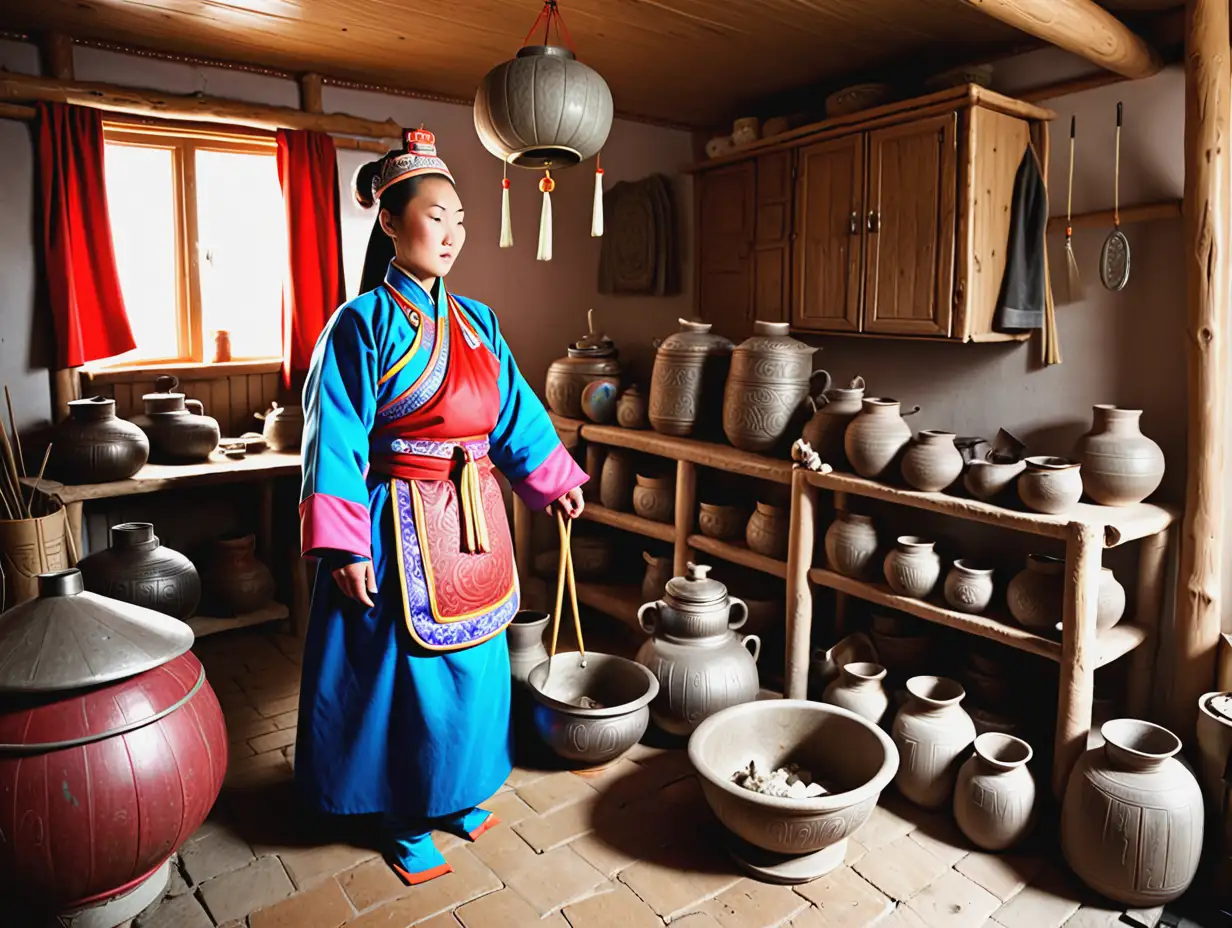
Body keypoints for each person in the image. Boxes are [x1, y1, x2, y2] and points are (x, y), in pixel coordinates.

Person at [295, 127, 586, 886]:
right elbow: (335, 436)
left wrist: (556, 481)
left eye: (461, 217)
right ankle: (398, 814)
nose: (453, 232)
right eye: (435, 214)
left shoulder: (481, 323)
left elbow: (515, 414)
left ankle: (452, 792)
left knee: (475, 667)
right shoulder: (359, 324)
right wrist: (345, 544)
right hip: (394, 522)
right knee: (403, 678)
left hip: (472, 517)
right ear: (389, 222)